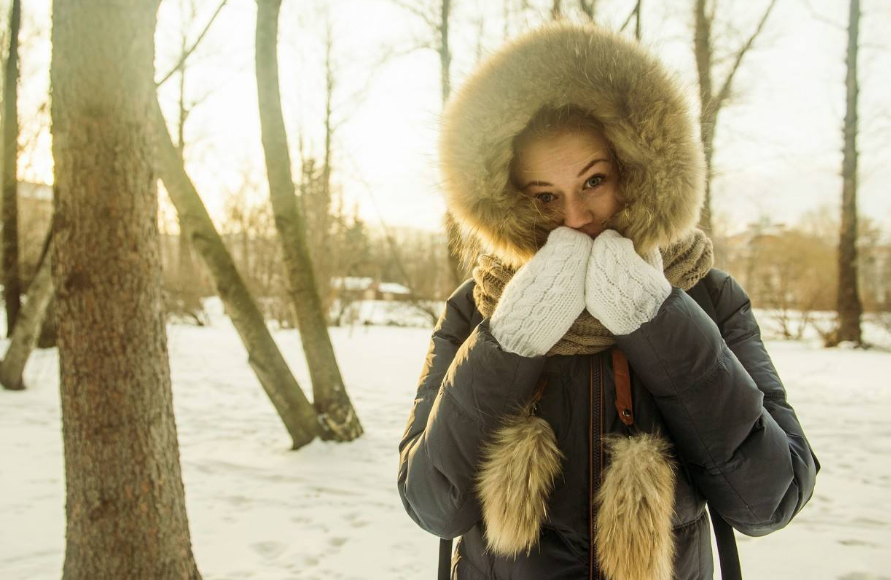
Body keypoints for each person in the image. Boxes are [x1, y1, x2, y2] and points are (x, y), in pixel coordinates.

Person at [397, 21, 820, 580]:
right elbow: (432, 504)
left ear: (637, 170)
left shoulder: (708, 296)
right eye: (545, 196)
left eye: (594, 181)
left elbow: (769, 500)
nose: (575, 217)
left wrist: (657, 318)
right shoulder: (479, 308)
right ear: (508, 201)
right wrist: (511, 340)